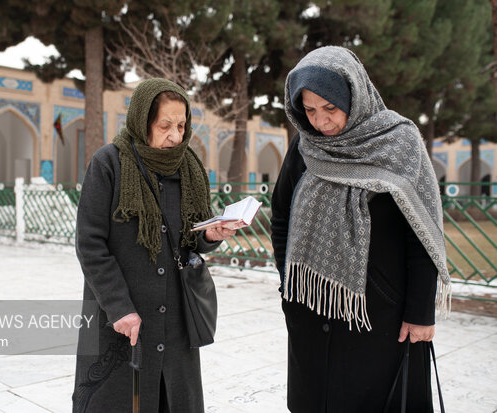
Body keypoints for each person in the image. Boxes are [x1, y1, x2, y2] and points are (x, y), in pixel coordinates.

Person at [271, 46, 451, 412]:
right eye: (309, 110)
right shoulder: (305, 146)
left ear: (355, 93)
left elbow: (423, 233)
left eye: (331, 109)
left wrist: (420, 313)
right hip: (312, 310)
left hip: (379, 318)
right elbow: (281, 217)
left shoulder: (398, 143)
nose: (321, 122)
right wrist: (293, 283)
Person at [72, 78, 235, 412]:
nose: (175, 136)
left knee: (171, 401)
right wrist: (118, 307)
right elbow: (90, 244)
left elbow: (191, 237)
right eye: (165, 126)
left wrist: (209, 235)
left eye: (181, 125)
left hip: (175, 323)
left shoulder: (188, 167)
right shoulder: (109, 164)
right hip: (121, 319)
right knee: (119, 401)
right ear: (142, 121)